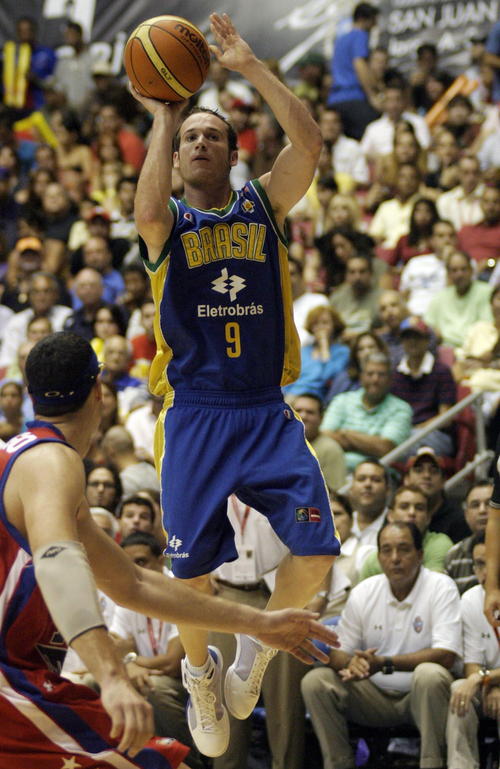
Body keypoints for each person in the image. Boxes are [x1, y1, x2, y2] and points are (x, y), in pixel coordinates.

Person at [131, 12, 340, 759]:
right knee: (190, 573)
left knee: (317, 550)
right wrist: (167, 114)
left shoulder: (264, 207)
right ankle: (200, 673)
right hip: (194, 413)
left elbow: (308, 144)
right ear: (177, 153)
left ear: (233, 151)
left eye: (212, 135)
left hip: (263, 410)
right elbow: (145, 210)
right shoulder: (169, 225)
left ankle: (255, 653)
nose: (199, 143)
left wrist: (251, 67)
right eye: (191, 137)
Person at [0, 331, 339, 766]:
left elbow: (134, 584)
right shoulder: (52, 460)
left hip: (27, 683)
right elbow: (57, 563)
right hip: (12, 682)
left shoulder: (31, 464)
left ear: (31, 396)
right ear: (98, 390)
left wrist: (259, 624)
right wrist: (112, 676)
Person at [301, 520, 462, 769]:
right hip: (372, 697)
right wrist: (353, 662)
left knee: (430, 675)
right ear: (378, 557)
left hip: (421, 698)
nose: (395, 558)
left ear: (420, 555)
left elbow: (446, 656)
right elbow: (337, 653)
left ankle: (433, 764)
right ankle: (338, 764)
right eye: (387, 550)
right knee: (316, 681)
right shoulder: (365, 591)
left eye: (404, 549)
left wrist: (385, 663)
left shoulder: (441, 587)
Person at [446, 532, 500, 768]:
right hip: (487, 685)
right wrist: (488, 683)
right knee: (459, 689)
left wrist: (485, 678)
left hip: (487, 679)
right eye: (479, 564)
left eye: (492, 562)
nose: (486, 572)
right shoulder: (471, 600)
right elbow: (472, 666)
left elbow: (478, 674)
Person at [321, 352, 412, 472]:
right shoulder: (342, 400)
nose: (375, 379)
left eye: (381, 374)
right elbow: (324, 436)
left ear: (390, 379)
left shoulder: (401, 408)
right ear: (361, 377)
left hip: (376, 475)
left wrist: (346, 434)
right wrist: (367, 444)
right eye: (370, 374)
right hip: (335, 470)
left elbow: (385, 448)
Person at [390, 318, 456, 457]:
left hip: (435, 433)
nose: (412, 341)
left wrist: (420, 428)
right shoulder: (395, 373)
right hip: (403, 431)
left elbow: (446, 418)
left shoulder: (442, 371)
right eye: (407, 337)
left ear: (427, 340)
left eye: (417, 337)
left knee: (397, 446)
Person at [359, 484, 453, 579]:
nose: (412, 512)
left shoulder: (440, 544)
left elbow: (434, 585)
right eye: (404, 507)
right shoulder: (373, 560)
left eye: (419, 508)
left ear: (428, 517)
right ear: (390, 515)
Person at [326, 2, 380, 140]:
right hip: (353, 98)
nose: (374, 26)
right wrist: (372, 95)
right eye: (372, 22)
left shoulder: (340, 40)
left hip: (334, 101)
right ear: (362, 19)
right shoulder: (360, 35)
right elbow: (359, 64)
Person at [425, 251, 493, 348]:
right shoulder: (440, 297)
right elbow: (428, 326)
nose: (459, 274)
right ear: (448, 274)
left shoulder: (487, 292)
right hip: (445, 350)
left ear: (471, 270)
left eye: (463, 269)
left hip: (478, 349)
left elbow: (489, 327)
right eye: (454, 270)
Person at [283, 305, 349, 402]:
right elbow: (289, 380)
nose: (320, 327)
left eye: (325, 323)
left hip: (315, 398)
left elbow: (327, 377)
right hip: (291, 396)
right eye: (316, 324)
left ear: (334, 325)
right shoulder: (304, 351)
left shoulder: (342, 351)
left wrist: (324, 346)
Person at [404, 446, 470, 543]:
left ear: (444, 480)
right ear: (406, 479)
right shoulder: (399, 514)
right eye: (419, 470)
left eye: (434, 471)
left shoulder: (458, 519)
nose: (426, 475)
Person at [445, 480, 493, 595]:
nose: (482, 510)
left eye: (489, 504)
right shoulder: (454, 556)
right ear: (466, 514)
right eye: (475, 505)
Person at [293, 394, 347, 491]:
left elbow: (335, 493)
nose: (303, 416)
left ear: (321, 418)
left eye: (310, 412)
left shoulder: (330, 449)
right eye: (298, 411)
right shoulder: (278, 443)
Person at [347, 459, 389, 546]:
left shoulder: (396, 523)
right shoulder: (340, 525)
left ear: (387, 490)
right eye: (361, 479)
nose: (367, 484)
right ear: (351, 488)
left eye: (376, 480)